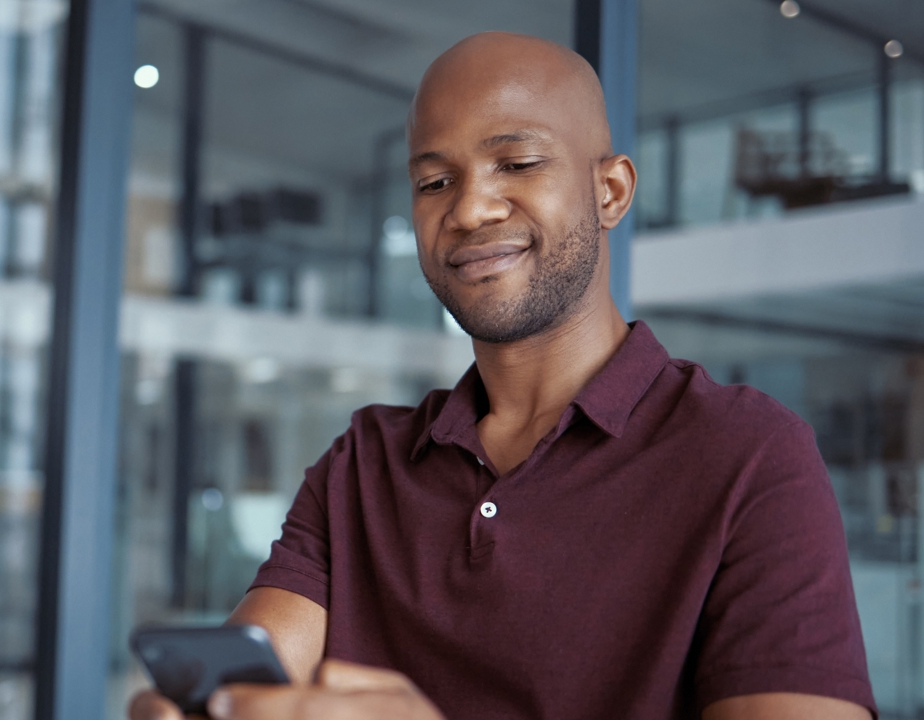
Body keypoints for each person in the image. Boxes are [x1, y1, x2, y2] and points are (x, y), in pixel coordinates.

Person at [130, 32, 875, 720]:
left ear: (611, 192)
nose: (469, 209)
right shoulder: (362, 465)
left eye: (516, 164)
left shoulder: (750, 455)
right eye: (434, 182)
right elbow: (252, 684)